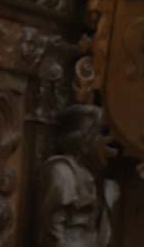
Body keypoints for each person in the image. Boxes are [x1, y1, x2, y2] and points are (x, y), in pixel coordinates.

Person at [38, 105, 119, 247]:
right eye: (99, 134)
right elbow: (53, 229)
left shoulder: (90, 173)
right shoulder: (62, 171)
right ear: (83, 140)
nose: (103, 141)